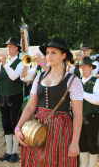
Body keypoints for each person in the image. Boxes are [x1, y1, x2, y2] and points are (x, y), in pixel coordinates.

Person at [15, 37, 83, 167]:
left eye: (53, 53)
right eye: (47, 53)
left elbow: (78, 113)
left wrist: (75, 142)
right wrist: (18, 128)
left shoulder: (73, 81)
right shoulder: (39, 77)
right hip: (37, 129)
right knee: (35, 161)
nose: (49, 56)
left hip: (61, 129)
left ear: (63, 56)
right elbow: (30, 106)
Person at [0, 37, 24, 163]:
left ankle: (15, 152)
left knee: (15, 123)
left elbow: (14, 76)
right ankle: (8, 151)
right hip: (3, 97)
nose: (8, 49)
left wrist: (4, 63)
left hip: (15, 97)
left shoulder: (20, 63)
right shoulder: (2, 62)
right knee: (6, 124)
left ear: (17, 49)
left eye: (11, 47)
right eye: (7, 47)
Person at [77, 57, 99, 167]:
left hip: (92, 116)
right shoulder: (77, 82)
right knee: (82, 143)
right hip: (79, 117)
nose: (82, 69)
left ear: (91, 68)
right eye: (80, 67)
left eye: (85, 67)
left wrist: (81, 93)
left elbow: (97, 99)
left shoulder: (96, 81)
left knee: (92, 143)